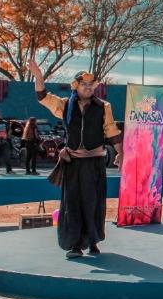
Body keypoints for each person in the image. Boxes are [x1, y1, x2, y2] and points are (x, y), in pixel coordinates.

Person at [28, 59, 123, 259]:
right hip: (73, 163)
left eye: (91, 84)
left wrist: (120, 153)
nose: (87, 87)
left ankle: (93, 241)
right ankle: (75, 245)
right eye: (83, 84)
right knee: (72, 203)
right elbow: (42, 97)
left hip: (94, 163)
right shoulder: (64, 105)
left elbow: (112, 131)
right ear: (76, 86)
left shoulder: (103, 106)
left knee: (93, 202)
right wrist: (38, 76)